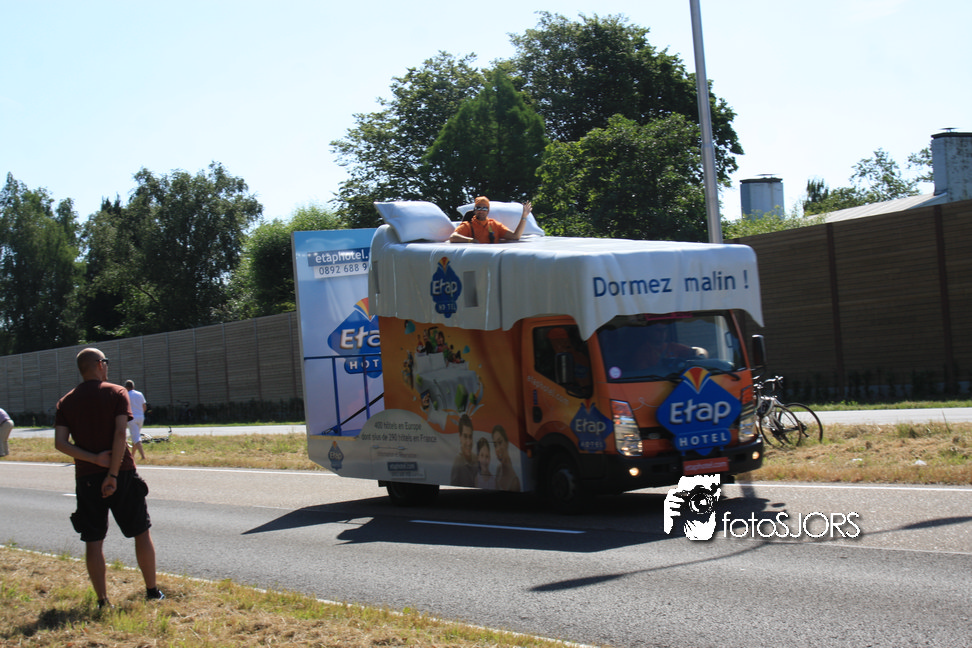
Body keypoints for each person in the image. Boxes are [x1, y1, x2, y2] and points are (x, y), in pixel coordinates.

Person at [54, 348, 163, 609]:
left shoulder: (65, 402)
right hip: (122, 473)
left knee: (93, 540)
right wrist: (112, 473)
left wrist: (95, 459)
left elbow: (60, 443)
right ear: (100, 365)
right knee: (140, 532)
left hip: (87, 477)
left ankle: (103, 601)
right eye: (106, 362)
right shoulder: (116, 392)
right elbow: (119, 434)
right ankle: (152, 591)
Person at [449, 197, 532, 244]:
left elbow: (515, 236)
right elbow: (453, 237)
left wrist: (524, 217)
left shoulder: (494, 225)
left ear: (488, 211)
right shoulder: (467, 225)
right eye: (478, 208)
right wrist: (471, 240)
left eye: (484, 208)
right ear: (475, 210)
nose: (481, 211)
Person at [450, 414, 477, 487]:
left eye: (470, 437)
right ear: (460, 436)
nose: (468, 442)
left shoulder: (476, 459)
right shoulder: (458, 462)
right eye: (465, 436)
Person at [491, 425, 521, 492]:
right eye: (495, 445)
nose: (498, 449)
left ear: (507, 443)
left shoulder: (514, 482)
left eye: (500, 442)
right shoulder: (499, 469)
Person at [125, 380, 147, 460]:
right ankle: (132, 455)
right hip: (141, 416)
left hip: (131, 417)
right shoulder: (139, 394)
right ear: (133, 386)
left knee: (136, 437)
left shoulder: (126, 395)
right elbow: (144, 406)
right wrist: (141, 413)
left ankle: (143, 456)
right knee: (136, 435)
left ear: (126, 387)